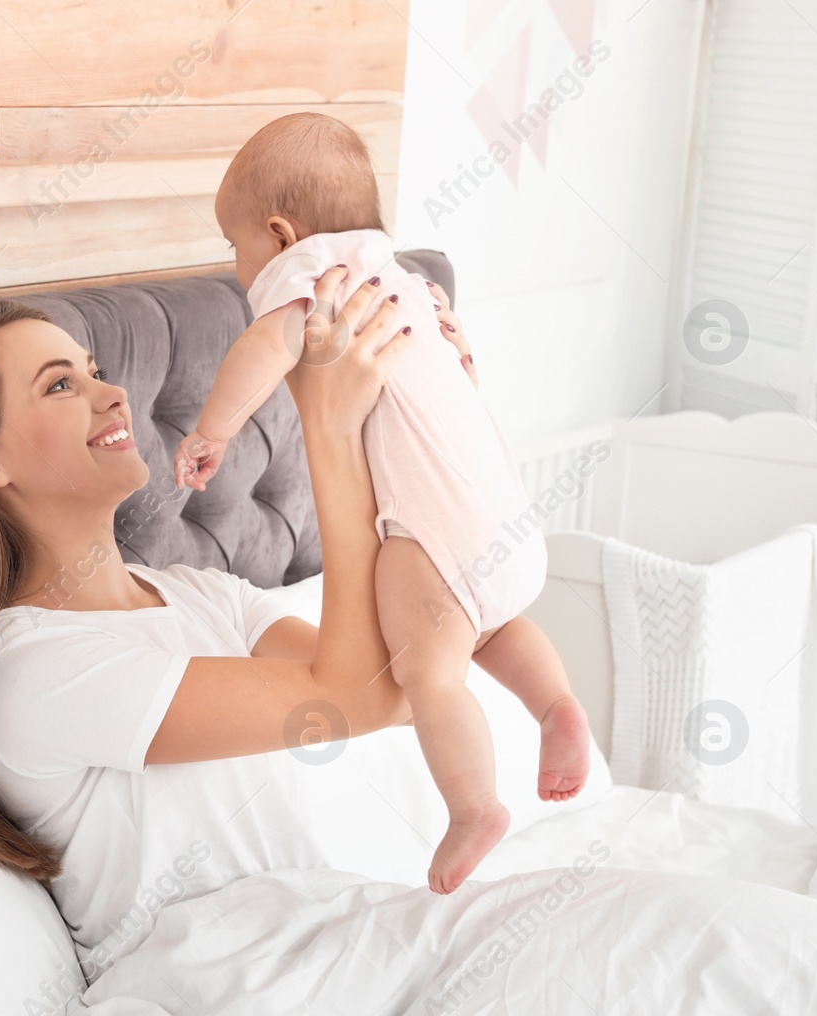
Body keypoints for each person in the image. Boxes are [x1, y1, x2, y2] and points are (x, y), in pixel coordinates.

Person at [0, 267, 443, 979]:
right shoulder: (29, 670)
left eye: (95, 371)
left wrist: (427, 412)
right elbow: (349, 698)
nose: (113, 396)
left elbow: (403, 685)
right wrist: (329, 429)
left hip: (344, 946)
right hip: (241, 992)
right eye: (60, 385)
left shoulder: (205, 597)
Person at [172, 112, 590, 892]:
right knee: (492, 624)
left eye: (235, 247)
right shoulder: (407, 280)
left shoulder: (315, 280)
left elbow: (266, 348)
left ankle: (473, 805)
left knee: (427, 673)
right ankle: (556, 704)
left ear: (278, 232)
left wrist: (212, 430)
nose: (237, 266)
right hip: (502, 511)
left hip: (433, 535)